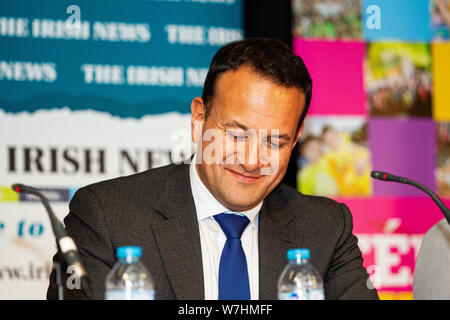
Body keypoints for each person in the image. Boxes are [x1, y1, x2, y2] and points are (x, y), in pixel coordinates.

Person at [47, 38, 379, 300]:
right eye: (236, 135)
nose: (251, 161)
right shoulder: (109, 217)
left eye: (276, 142)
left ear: (297, 140)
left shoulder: (325, 228)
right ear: (198, 119)